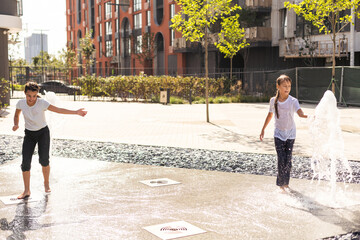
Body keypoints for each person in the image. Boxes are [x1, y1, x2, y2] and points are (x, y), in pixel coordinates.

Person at [12, 82, 87, 199]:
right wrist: (16, 124)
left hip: (43, 133)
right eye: (29, 96)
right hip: (29, 134)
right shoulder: (20, 103)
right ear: (25, 94)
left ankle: (46, 184)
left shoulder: (42, 103)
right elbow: (16, 115)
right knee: (25, 163)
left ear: (37, 94)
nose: (31, 99)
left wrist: (76, 112)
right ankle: (26, 190)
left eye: (34, 96)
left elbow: (58, 110)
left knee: (44, 160)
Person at [260, 74, 307, 192]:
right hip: (278, 134)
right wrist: (263, 129)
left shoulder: (293, 101)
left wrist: (311, 116)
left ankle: (286, 183)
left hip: (291, 134)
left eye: (289, 86)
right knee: (281, 159)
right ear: (278, 86)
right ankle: (281, 185)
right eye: (284, 86)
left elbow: (300, 114)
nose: (287, 88)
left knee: (288, 160)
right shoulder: (273, 101)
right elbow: (270, 115)